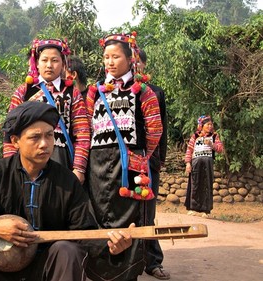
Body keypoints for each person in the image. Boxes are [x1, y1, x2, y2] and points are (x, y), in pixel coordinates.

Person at [0, 101, 133, 281]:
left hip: (47, 267)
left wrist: (111, 246)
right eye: (35, 137)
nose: (44, 143)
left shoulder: (67, 180)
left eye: (49, 135)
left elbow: (83, 232)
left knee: (68, 251)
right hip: (1, 267)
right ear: (15, 141)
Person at [85, 32, 163, 281]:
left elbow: (155, 130)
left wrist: (139, 157)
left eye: (116, 56)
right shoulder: (94, 92)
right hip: (97, 164)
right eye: (106, 57)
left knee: (129, 218)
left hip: (129, 167)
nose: (109, 62)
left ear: (130, 59)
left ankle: (127, 274)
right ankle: (98, 271)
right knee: (98, 213)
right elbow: (86, 127)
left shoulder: (144, 92)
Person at [4, 38, 90, 184]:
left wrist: (79, 168)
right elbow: (10, 131)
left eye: (55, 60)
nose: (49, 65)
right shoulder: (23, 91)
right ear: (37, 63)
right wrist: (10, 165)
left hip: (61, 157)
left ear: (63, 63)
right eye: (44, 60)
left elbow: (82, 133)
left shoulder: (72, 93)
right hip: (27, 156)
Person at [138, 49, 170, 280]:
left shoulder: (155, 92)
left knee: (148, 213)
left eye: (138, 62)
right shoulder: (111, 91)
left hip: (150, 162)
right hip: (122, 163)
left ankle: (152, 262)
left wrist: (158, 160)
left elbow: (162, 130)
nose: (135, 66)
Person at [184, 115, 224, 218]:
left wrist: (212, 145)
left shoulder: (214, 136)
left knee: (206, 185)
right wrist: (188, 163)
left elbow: (220, 149)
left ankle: (205, 211)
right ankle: (194, 208)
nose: (210, 126)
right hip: (196, 162)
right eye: (208, 124)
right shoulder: (195, 136)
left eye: (211, 124)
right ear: (201, 126)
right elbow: (189, 150)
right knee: (195, 184)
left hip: (208, 163)